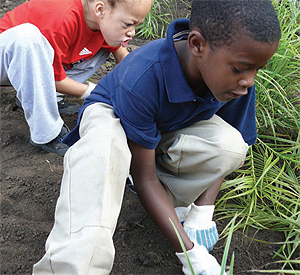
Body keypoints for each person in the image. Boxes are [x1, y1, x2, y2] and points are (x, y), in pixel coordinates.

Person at [33, 0, 281, 274]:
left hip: (156, 132)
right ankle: (72, 267)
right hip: (112, 116)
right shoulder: (143, 75)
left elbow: (233, 145)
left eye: (257, 69)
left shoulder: (235, 81)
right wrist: (190, 254)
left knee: (231, 146)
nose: (249, 80)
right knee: (102, 155)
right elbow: (146, 178)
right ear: (197, 45)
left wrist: (202, 212)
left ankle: (162, 199)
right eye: (240, 68)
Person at [0, 0, 151, 156]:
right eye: (127, 24)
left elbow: (122, 57)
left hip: (29, 65)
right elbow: (53, 78)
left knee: (105, 46)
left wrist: (137, 91)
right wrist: (98, 93)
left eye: (136, 26)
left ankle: (49, 99)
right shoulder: (62, 18)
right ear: (100, 9)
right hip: (6, 59)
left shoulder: (98, 18)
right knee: (27, 37)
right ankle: (46, 133)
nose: (132, 32)